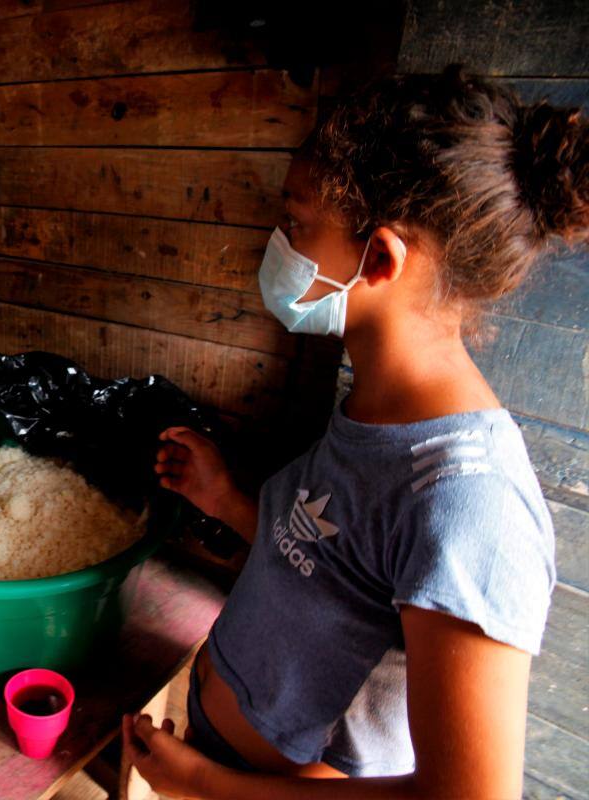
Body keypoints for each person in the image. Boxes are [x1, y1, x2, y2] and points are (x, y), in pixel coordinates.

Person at [126, 68, 586, 798]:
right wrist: (231, 503)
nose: (278, 242)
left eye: (297, 223)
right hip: (213, 750)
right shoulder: (375, 408)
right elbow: (336, 575)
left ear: (379, 259)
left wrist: (209, 785)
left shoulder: (473, 505)